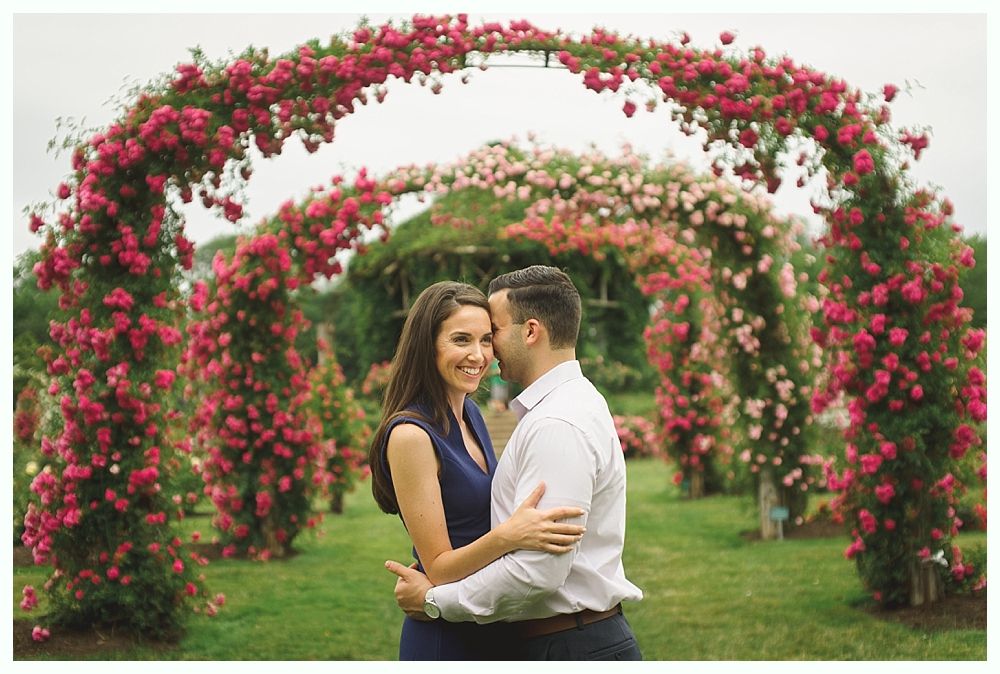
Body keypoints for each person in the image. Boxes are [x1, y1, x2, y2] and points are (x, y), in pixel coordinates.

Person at [385, 266, 643, 661]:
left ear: (531, 331)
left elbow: (539, 571)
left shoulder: (535, 419)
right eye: (461, 339)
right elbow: (450, 557)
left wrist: (436, 600)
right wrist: (507, 536)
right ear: (428, 345)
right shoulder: (416, 433)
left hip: (554, 640)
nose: (483, 353)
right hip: (461, 639)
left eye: (490, 336)